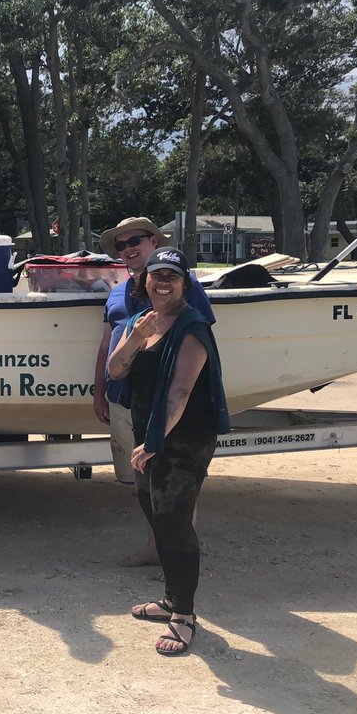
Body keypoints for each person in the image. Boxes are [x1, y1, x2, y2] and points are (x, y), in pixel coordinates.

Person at [107, 248, 230, 656]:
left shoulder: (192, 326)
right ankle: (170, 599)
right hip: (150, 437)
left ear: (185, 284)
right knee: (154, 513)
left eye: (172, 276)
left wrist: (156, 441)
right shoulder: (142, 323)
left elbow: (180, 391)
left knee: (175, 521)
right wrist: (136, 339)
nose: (162, 282)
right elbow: (116, 369)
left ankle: (185, 616)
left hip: (184, 439)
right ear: (145, 281)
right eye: (156, 274)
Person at [92, 216, 216, 567]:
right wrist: (99, 392)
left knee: (177, 482)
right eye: (121, 244)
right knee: (144, 481)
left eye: (136, 241)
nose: (129, 248)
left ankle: (179, 560)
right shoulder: (116, 292)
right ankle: (155, 547)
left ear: (154, 243)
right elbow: (105, 347)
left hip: (167, 402)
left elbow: (200, 337)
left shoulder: (183, 285)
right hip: (124, 399)